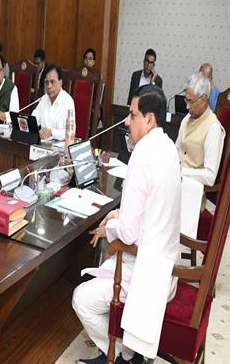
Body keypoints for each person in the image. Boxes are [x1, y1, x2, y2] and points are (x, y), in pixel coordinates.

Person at [73, 84, 181, 364]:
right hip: (168, 266)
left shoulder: (142, 155)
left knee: (81, 299)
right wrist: (119, 214)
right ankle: (127, 350)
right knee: (107, 257)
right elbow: (153, 205)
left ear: (150, 119)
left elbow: (129, 234)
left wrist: (106, 229)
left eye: (133, 115)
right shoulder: (168, 146)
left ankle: (122, 355)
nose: (126, 121)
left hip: (148, 272)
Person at [175, 72, 225, 188]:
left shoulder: (213, 128)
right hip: (175, 181)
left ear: (203, 100)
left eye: (191, 101)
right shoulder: (187, 118)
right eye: (186, 100)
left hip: (191, 189)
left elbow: (210, 176)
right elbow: (177, 148)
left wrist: (181, 171)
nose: (187, 106)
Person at [31, 64, 75, 140]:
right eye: (46, 82)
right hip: (43, 144)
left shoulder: (68, 101)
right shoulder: (44, 99)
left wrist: (51, 132)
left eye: (52, 82)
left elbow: (71, 132)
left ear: (60, 83)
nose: (49, 86)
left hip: (60, 145)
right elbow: (33, 120)